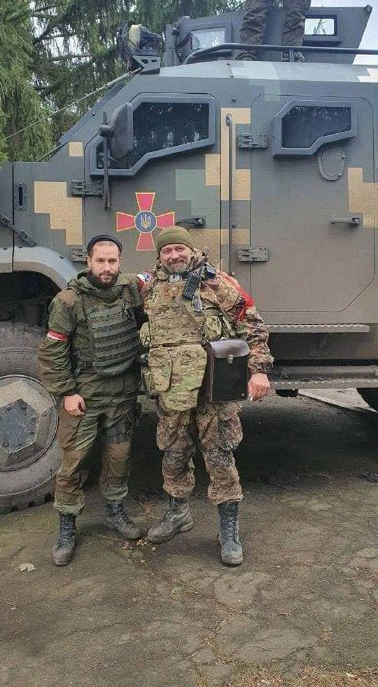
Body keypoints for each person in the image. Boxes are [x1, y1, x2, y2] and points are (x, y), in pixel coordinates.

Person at [140, 227, 273, 566]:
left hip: (214, 389)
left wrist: (258, 370)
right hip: (172, 392)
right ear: (159, 256)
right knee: (173, 453)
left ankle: (228, 529)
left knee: (219, 455)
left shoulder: (216, 283)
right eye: (167, 250)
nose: (174, 255)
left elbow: (252, 324)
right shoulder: (149, 288)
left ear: (190, 250)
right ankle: (177, 513)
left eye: (179, 249)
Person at [38, 234, 144, 566]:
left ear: (120, 262)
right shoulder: (69, 301)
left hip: (122, 392)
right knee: (74, 462)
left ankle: (114, 511)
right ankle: (67, 526)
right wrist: (67, 392)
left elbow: (164, 276)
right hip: (84, 393)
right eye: (101, 260)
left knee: (119, 457)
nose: (107, 267)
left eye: (113, 261)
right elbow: (52, 352)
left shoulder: (130, 288)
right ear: (89, 261)